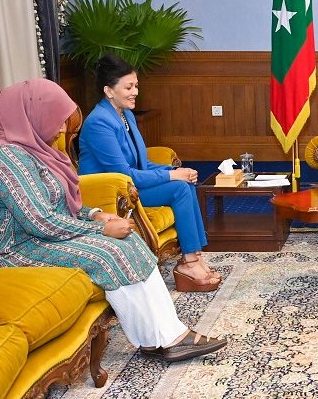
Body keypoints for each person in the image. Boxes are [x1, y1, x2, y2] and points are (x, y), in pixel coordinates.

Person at [0, 79, 227, 364]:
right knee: (109, 251)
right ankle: (164, 338)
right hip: (8, 250)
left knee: (128, 240)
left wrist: (94, 214)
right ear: (33, 114)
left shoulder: (34, 150)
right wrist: (101, 228)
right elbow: (40, 221)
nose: (62, 129)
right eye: (56, 119)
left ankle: (164, 336)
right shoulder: (4, 157)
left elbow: (59, 204)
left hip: (37, 238)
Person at [78, 54, 219, 293]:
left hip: (129, 185)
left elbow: (141, 163)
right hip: (111, 193)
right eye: (128, 87)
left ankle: (194, 256)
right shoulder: (99, 122)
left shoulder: (126, 115)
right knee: (179, 188)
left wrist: (174, 170)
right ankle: (190, 263)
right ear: (109, 91)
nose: (135, 92)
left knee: (185, 183)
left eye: (136, 86)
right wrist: (172, 177)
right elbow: (124, 175)